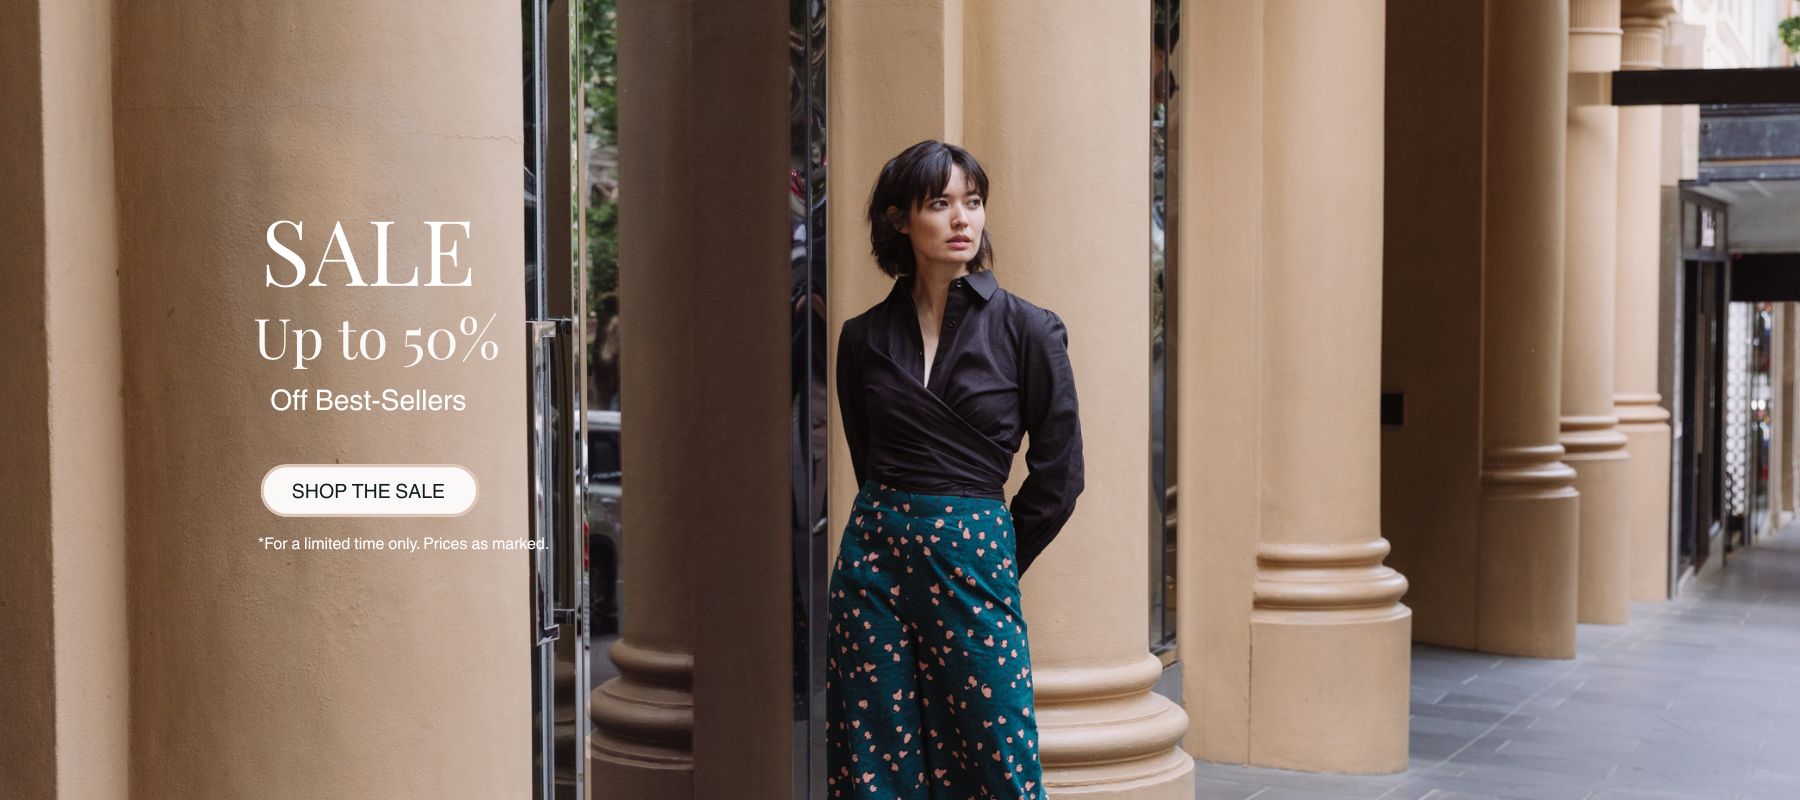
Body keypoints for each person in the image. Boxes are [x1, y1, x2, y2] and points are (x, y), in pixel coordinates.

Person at [828, 140, 1084, 799]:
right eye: (939, 203)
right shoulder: (861, 339)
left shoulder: (1030, 330)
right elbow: (869, 459)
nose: (962, 218)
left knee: (997, 754)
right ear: (899, 220)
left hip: (974, 562)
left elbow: (1060, 478)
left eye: (971, 202)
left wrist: (989, 550)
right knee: (873, 757)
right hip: (873, 565)